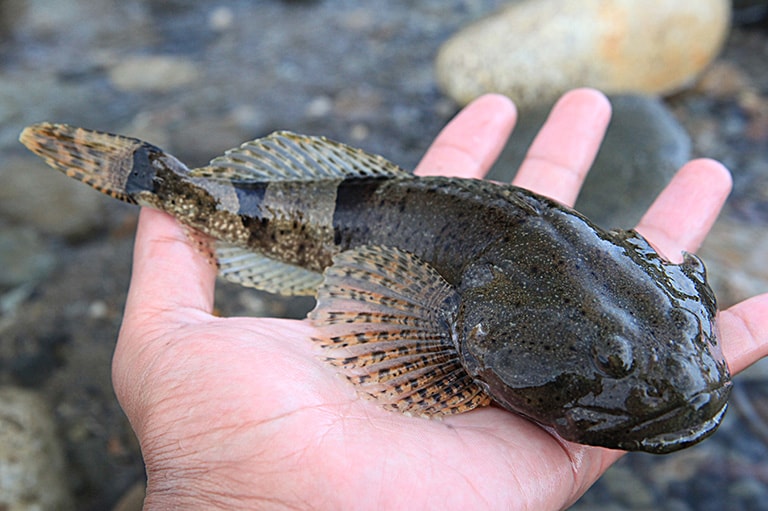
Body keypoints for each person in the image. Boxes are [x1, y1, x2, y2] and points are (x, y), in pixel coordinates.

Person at [111, 89, 768, 510]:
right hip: (366, 221)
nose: (691, 379)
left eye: (687, 331)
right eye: (618, 363)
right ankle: (157, 180)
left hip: (471, 235)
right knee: (198, 199)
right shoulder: (456, 329)